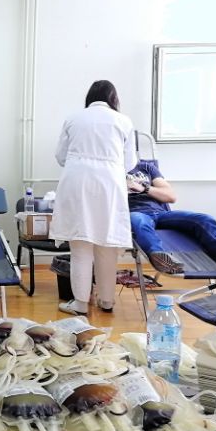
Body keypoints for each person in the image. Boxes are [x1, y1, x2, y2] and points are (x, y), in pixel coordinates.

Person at [50, 80, 136, 316]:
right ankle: (106, 301)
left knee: (81, 245)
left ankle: (79, 305)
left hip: (77, 181)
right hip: (110, 184)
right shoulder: (123, 121)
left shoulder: (73, 118)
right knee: (107, 244)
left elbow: (60, 156)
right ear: (113, 99)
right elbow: (130, 163)